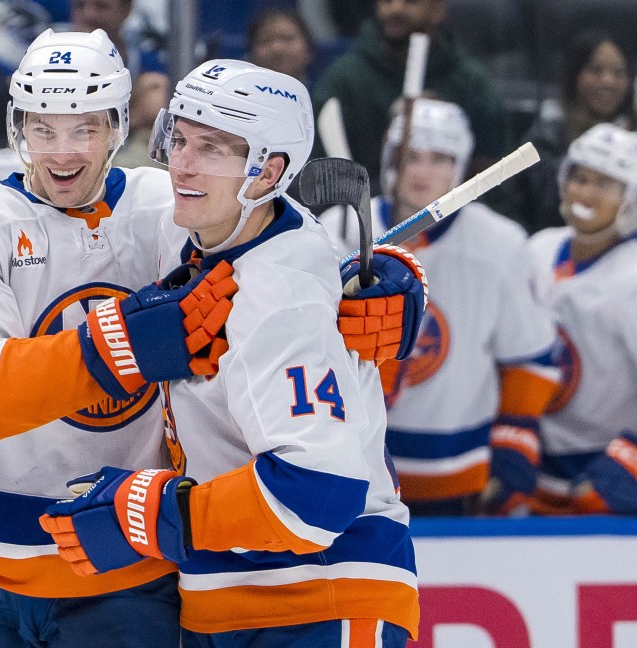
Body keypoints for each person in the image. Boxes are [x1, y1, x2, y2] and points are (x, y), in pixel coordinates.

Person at [0, 29, 425, 647]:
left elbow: (284, 247)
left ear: (120, 126)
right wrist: (129, 345)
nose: (63, 153)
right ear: (18, 127)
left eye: (86, 128)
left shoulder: (170, 208)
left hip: (125, 570)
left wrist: (381, 282)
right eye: (44, 129)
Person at [39, 60, 422, 646]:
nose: (182, 165)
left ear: (268, 172)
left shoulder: (278, 301)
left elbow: (318, 492)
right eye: (180, 138)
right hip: (231, 596)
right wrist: (392, 274)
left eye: (213, 149)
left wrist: (158, 512)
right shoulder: (210, 228)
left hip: (320, 598)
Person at [320, 98, 560, 516]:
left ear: (462, 166)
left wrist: (514, 441)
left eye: (439, 159)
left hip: (458, 470)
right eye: (410, 157)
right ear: (390, 161)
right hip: (352, 465)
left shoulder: (500, 243)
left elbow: (530, 355)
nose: (422, 172)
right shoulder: (337, 231)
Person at [527, 123, 637, 516]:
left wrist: (628, 464)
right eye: (579, 177)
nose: (585, 193)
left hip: (600, 469)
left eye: (604, 184)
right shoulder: (538, 249)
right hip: (532, 461)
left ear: (630, 197)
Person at [311, 0, 506, 193]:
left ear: (437, 9)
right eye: (387, 1)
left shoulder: (471, 82)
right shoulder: (344, 79)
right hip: (364, 216)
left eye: (410, 1)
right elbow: (317, 172)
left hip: (455, 217)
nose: (396, 8)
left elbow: (495, 175)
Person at [518, 31, 635, 235]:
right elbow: (544, 203)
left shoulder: (632, 134)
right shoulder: (546, 135)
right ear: (575, 75)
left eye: (618, 73)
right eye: (596, 71)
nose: (608, 81)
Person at [246, 7, 315, 87]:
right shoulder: (237, 95)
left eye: (287, 38)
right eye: (266, 40)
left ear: (309, 49)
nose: (277, 48)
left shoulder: (325, 94)